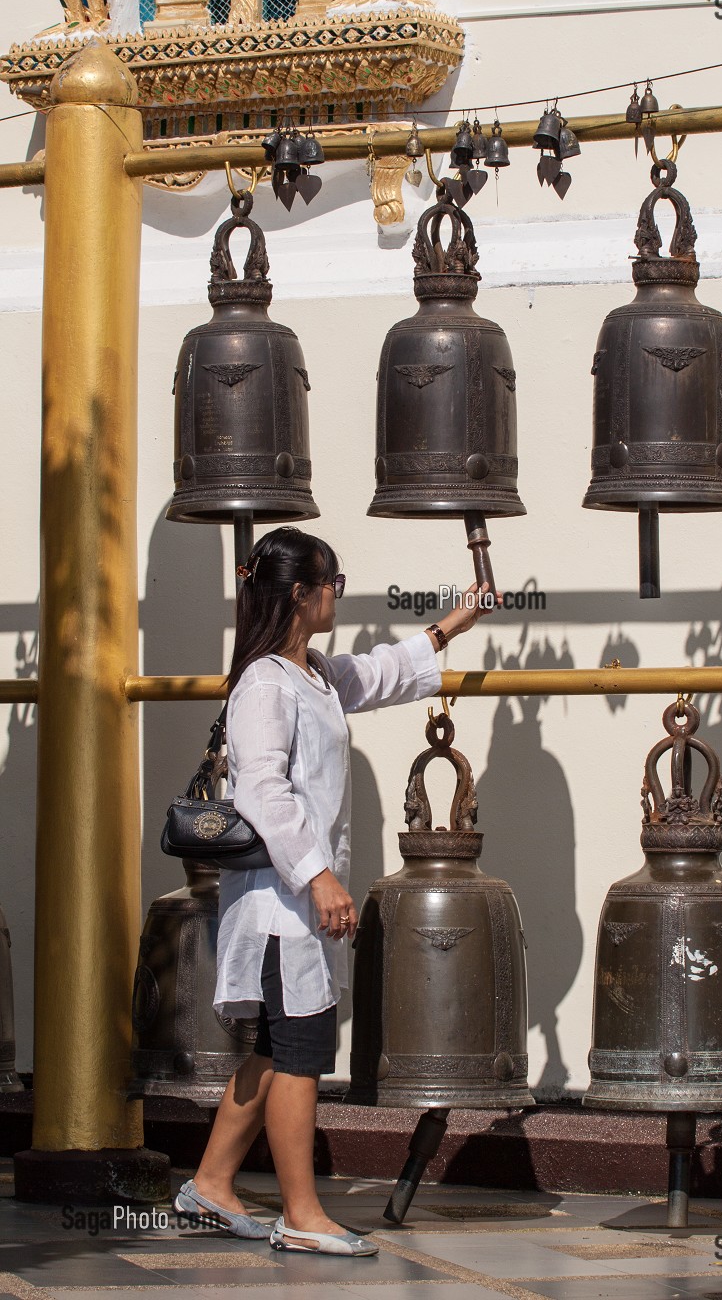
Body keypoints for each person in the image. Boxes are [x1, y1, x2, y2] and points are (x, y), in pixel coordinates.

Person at [173, 526, 497, 1255]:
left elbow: (379, 673)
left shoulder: (311, 672)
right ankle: (302, 1215)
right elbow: (262, 790)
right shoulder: (265, 683)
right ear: (301, 593)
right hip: (279, 902)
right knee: (300, 1049)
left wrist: (455, 620)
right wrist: (318, 876)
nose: (337, 597)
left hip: (294, 900)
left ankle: (211, 1185)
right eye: (333, 585)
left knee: (276, 1046)